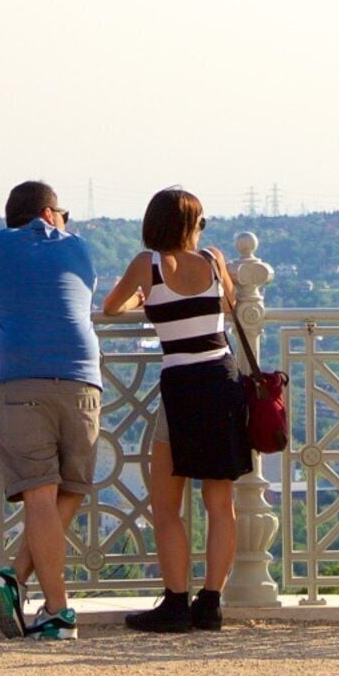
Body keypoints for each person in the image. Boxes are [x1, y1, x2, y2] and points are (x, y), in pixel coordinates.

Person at [102, 189, 249, 634]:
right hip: (223, 381)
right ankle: (211, 602)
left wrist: (142, 303)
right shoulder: (214, 260)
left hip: (182, 387)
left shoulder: (147, 266)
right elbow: (229, 305)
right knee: (220, 504)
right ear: (191, 227)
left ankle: (175, 601)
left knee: (167, 505)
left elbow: (111, 307)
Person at [0, 179, 97, 643]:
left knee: (43, 496)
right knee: (72, 488)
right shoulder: (78, 248)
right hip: (81, 380)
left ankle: (20, 583)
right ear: (47, 214)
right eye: (63, 213)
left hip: (19, 378)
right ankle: (53, 607)